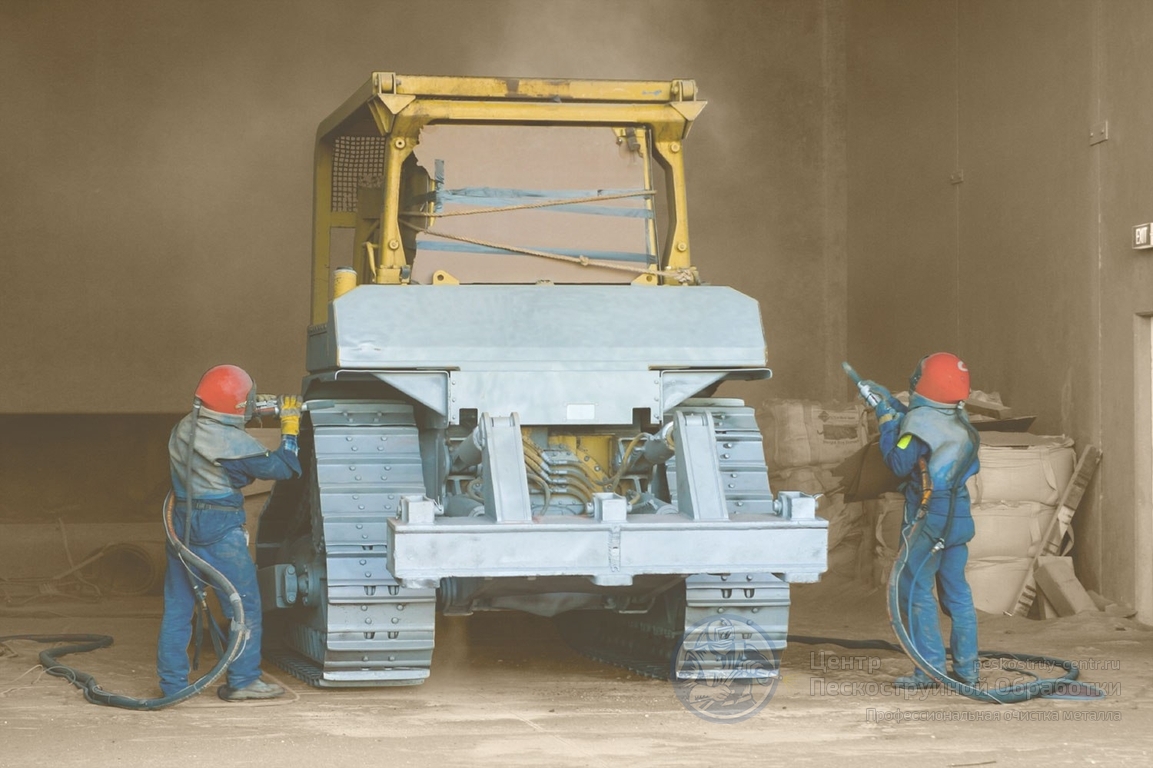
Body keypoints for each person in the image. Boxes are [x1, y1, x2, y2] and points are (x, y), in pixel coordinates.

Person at [157, 364, 302, 701]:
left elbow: (225, 461)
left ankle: (172, 685)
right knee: (243, 605)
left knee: (178, 608)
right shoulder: (232, 443)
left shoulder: (183, 427)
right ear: (236, 405)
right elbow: (283, 468)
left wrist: (251, 410)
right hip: (219, 528)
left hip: (181, 524)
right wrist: (290, 425)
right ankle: (243, 681)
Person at [860, 353, 981, 689]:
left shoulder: (919, 425)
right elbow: (923, 427)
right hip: (958, 516)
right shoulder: (959, 420)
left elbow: (899, 460)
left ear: (924, 383)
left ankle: (929, 671)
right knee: (958, 594)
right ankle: (968, 671)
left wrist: (886, 421)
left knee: (915, 590)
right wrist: (890, 402)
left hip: (928, 518)